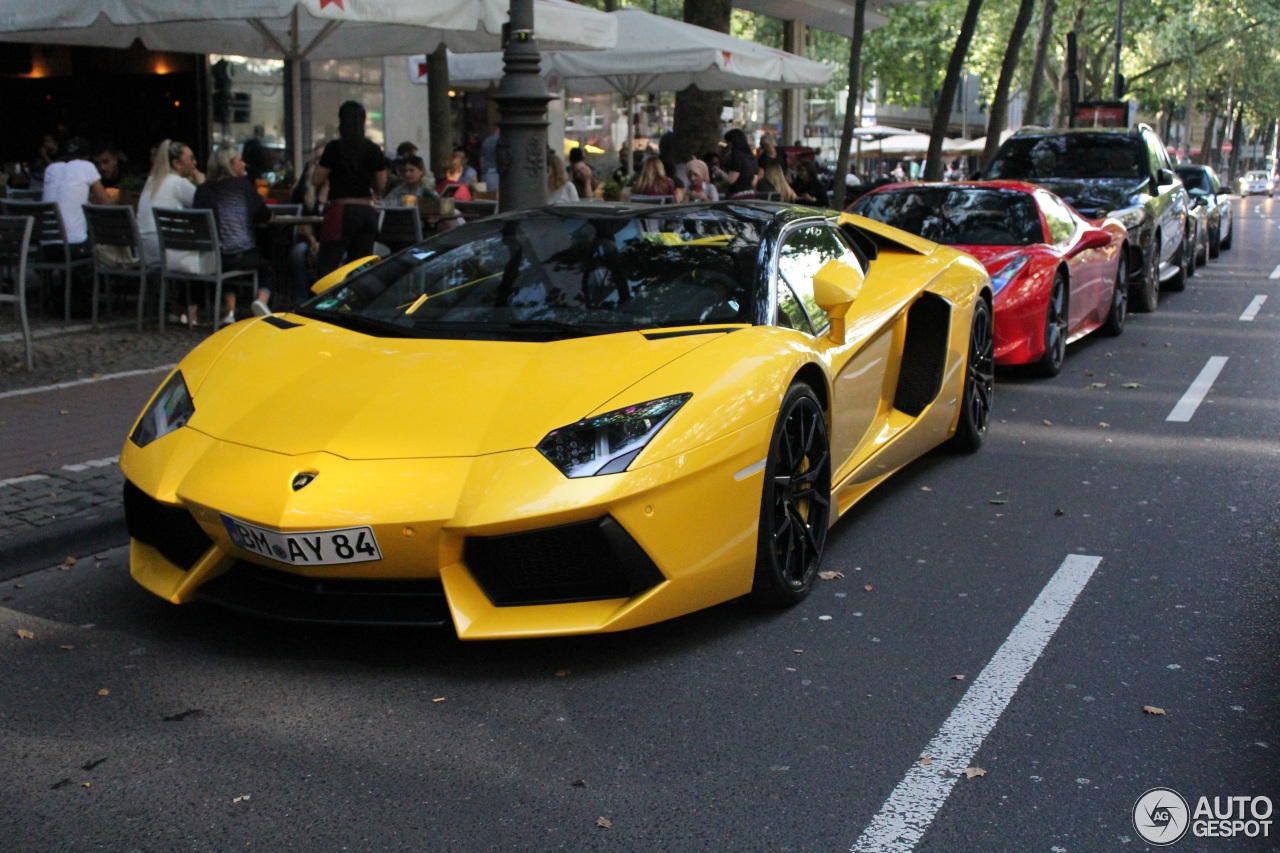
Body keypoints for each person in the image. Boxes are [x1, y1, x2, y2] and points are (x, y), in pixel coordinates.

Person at [191, 145, 273, 325]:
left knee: (229, 258)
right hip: (240, 256)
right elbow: (264, 214)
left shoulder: (203, 190)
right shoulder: (244, 187)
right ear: (230, 164)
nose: (243, 163)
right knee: (266, 261)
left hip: (214, 258)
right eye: (239, 160)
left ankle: (229, 311)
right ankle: (261, 299)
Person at [312, 100, 388, 279]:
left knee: (327, 266)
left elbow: (317, 179)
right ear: (363, 121)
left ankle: (323, 304)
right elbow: (381, 184)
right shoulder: (373, 149)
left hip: (340, 211)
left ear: (341, 121)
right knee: (361, 268)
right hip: (367, 211)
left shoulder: (333, 148)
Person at [138, 139, 205, 271]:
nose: (195, 163)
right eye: (191, 159)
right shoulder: (178, 183)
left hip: (146, 252)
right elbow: (207, 204)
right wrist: (202, 184)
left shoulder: (151, 181)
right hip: (168, 252)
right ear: (177, 164)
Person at [40, 137, 109, 259]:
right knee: (102, 243)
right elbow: (106, 204)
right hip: (73, 247)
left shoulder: (51, 169)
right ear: (87, 157)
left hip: (46, 248)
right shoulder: (86, 166)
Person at [722, 129, 758, 199]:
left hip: (737, 196)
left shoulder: (736, 157)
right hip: (750, 194)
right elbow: (754, 182)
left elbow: (731, 180)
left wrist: (720, 173)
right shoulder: (751, 157)